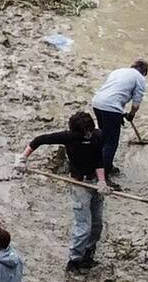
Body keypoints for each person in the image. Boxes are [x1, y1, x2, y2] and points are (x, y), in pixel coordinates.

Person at [15, 111, 112, 273]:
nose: (87, 134)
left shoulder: (97, 136)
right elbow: (39, 140)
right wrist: (23, 159)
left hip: (95, 183)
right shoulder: (68, 137)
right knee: (83, 227)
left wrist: (102, 181)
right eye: (84, 132)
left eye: (89, 130)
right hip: (79, 184)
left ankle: (88, 255)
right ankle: (74, 261)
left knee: (97, 224)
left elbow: (98, 160)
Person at [91, 60, 148, 184]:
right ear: (144, 72)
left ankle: (103, 166)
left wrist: (119, 114)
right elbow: (136, 104)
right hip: (111, 108)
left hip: (97, 103)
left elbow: (113, 91)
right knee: (111, 142)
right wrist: (131, 114)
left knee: (104, 137)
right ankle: (103, 176)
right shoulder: (140, 78)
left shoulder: (118, 71)